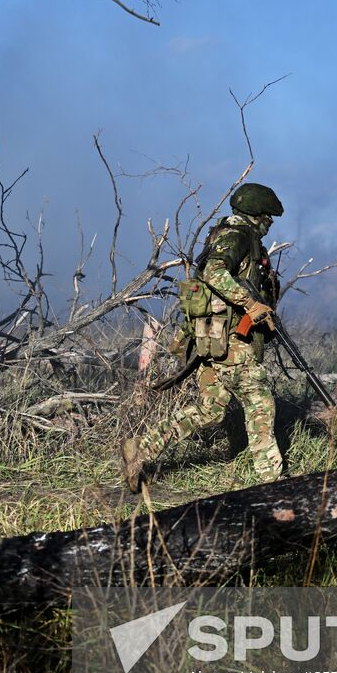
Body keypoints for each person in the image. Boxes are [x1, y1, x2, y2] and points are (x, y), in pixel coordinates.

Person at [120, 182, 284, 492]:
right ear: (257, 215)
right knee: (258, 399)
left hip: (214, 337)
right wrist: (249, 303)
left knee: (211, 410)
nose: (270, 224)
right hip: (229, 340)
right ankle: (272, 487)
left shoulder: (225, 235)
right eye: (268, 217)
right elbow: (212, 272)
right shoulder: (237, 236)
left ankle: (142, 448)